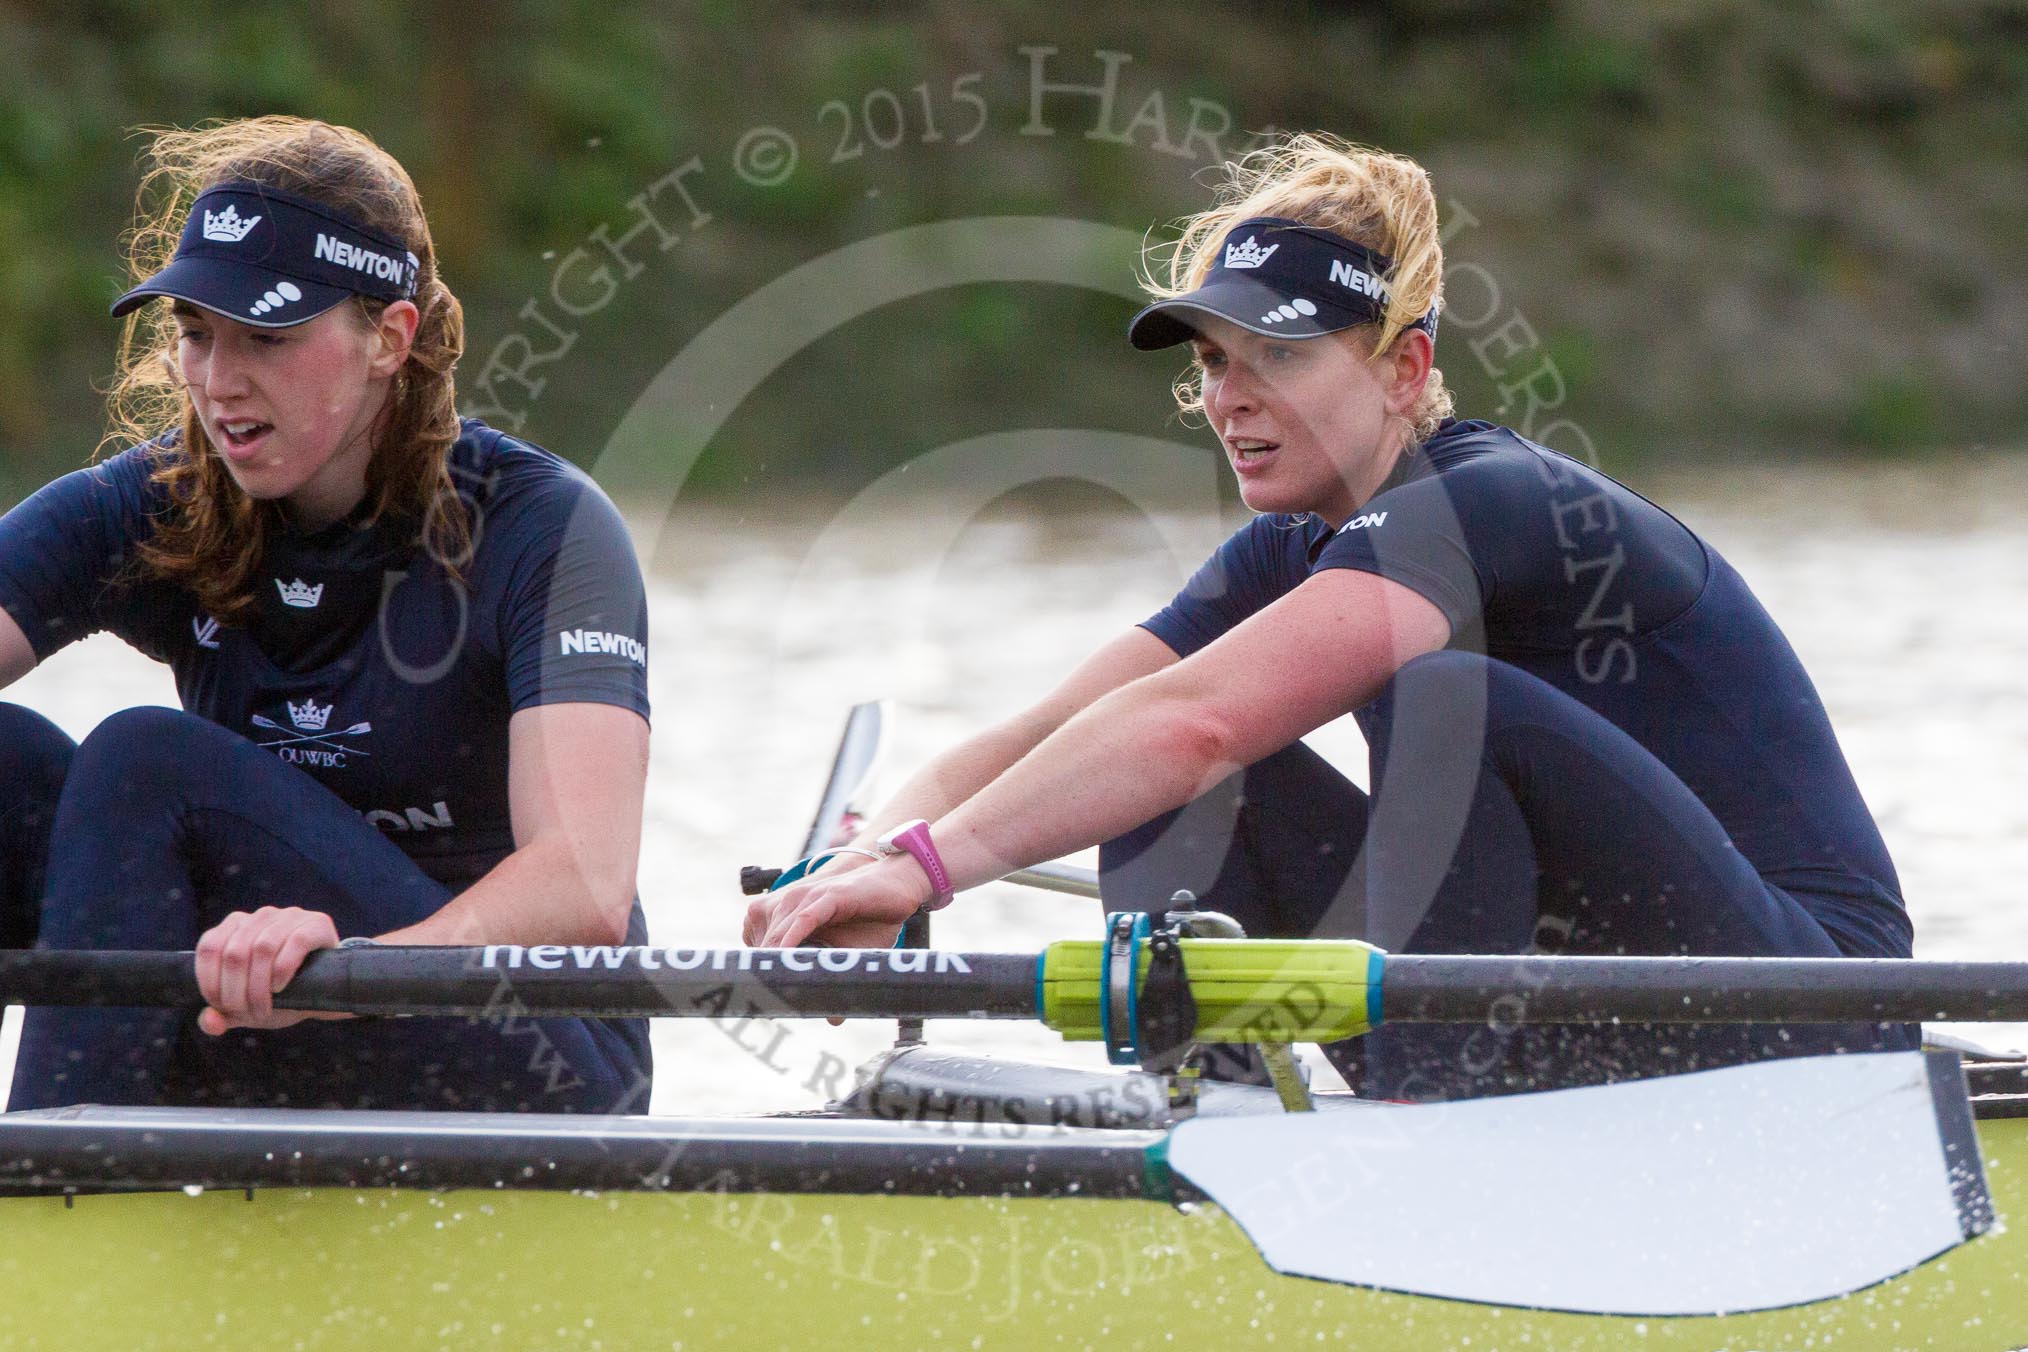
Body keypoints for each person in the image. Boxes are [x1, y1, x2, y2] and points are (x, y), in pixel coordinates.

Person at [744, 134, 1914, 1101]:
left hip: (1809, 1014)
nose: (1229, 396)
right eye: (1213, 359)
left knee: (1420, 695)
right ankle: (1208, 1115)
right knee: (1143, 766)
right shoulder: (1293, 547)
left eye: (1279, 354)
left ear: (1406, 371)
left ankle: (1419, 1129)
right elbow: (1056, 732)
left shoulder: (1497, 503)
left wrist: (925, 868)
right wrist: (855, 869)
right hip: (1575, 1011)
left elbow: (1195, 720)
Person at [0, 117, 653, 1113]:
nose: (218, 381)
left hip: (531, 1044)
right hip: (262, 1004)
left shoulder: (543, 528)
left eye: (265, 336)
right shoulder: (161, 504)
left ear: (389, 337)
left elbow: (586, 888)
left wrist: (351, 970)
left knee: (144, 760)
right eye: (196, 335)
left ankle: (48, 1200)